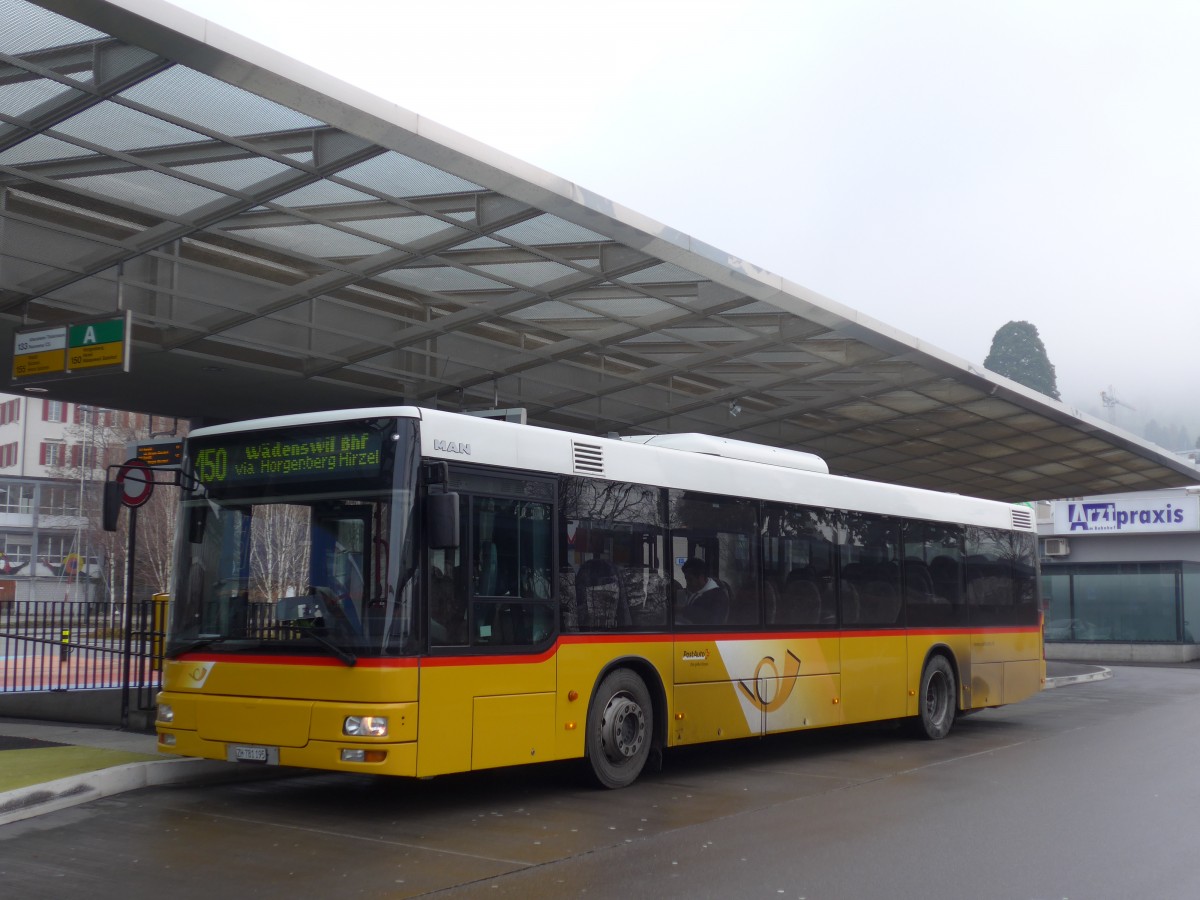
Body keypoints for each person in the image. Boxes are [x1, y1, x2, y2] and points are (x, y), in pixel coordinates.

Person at [677, 557, 729, 625]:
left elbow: (712, 620)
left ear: (701, 577)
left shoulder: (718, 596)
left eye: (690, 579)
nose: (687, 583)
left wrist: (683, 610)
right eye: (686, 579)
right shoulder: (698, 591)